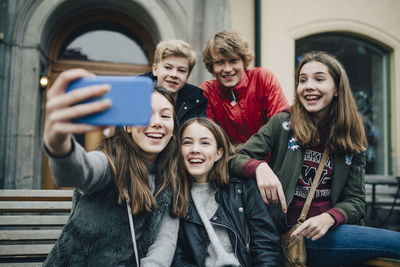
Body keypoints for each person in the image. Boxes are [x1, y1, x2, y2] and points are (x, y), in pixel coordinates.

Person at [229, 51, 400, 266]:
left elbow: (356, 201)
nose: (308, 86)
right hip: (288, 236)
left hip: (330, 232)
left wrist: (330, 217)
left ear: (337, 89)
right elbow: (233, 158)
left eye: (319, 79)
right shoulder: (283, 124)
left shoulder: (351, 135)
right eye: (303, 80)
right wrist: (258, 167)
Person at [42, 69, 187, 266]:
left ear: (173, 130)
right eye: (145, 113)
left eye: (166, 116)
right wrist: (58, 144)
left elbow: (165, 242)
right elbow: (80, 172)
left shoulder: (171, 177)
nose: (156, 123)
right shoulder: (109, 161)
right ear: (127, 126)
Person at [172, 117, 282, 266]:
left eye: (205, 143)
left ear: (219, 153)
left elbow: (267, 247)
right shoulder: (173, 195)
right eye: (187, 142)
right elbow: (178, 258)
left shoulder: (242, 188)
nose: (195, 149)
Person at [200, 30, 289, 145]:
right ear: (211, 66)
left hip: (270, 160)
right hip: (230, 161)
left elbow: (281, 125)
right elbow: (209, 139)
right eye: (219, 62)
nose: (227, 69)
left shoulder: (262, 79)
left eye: (233, 61)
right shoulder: (207, 92)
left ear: (244, 61)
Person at [143, 39, 207, 124]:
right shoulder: (136, 93)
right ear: (155, 69)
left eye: (181, 70)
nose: (174, 75)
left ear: (188, 76)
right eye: (168, 68)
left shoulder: (196, 100)